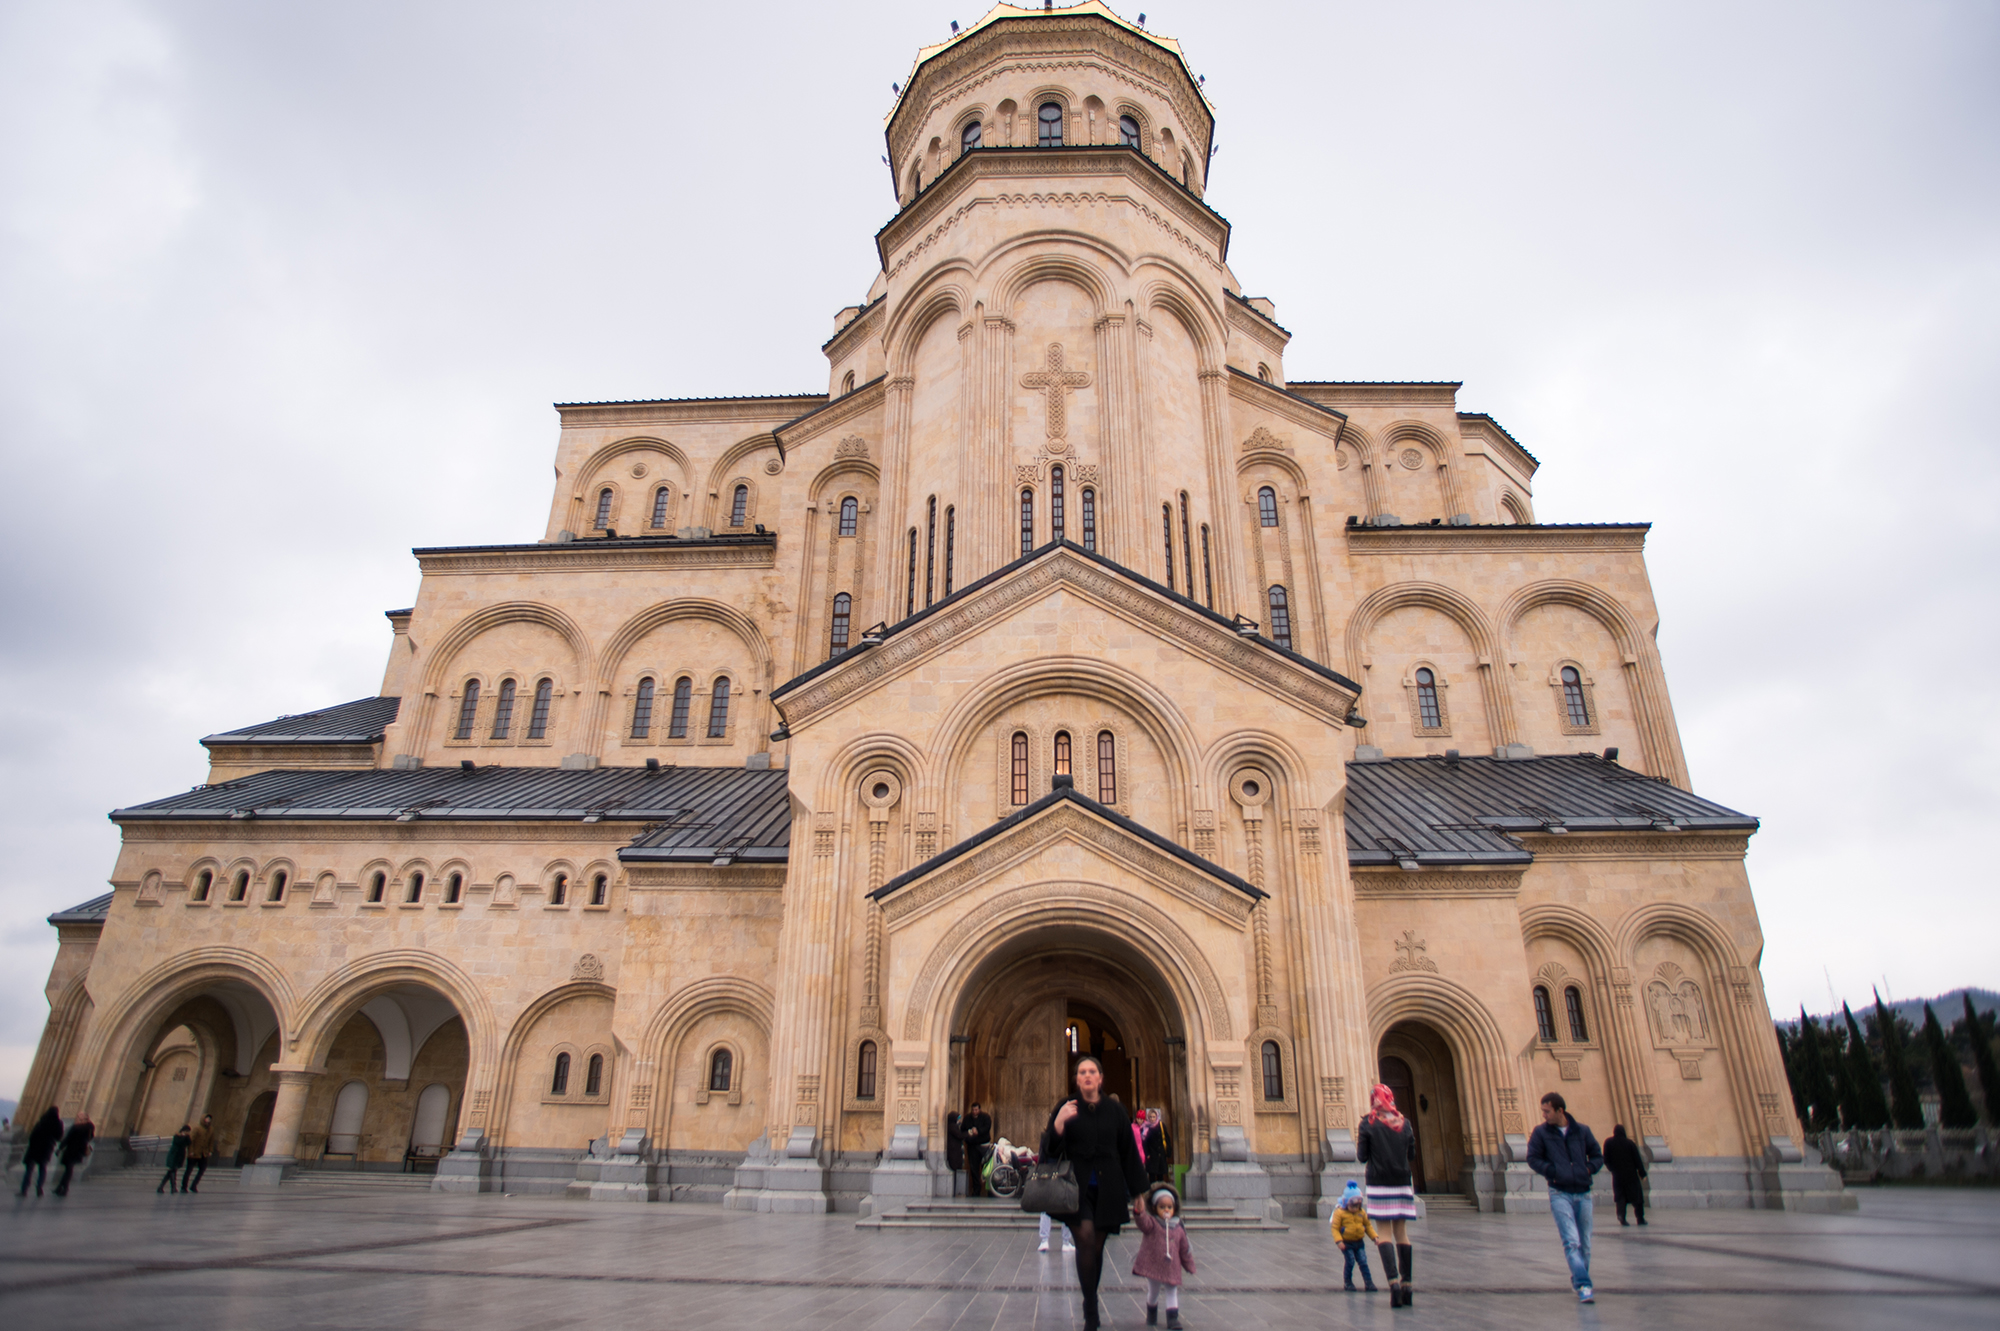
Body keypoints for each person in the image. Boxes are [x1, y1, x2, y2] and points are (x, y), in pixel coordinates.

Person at [1043, 1055, 1149, 1331]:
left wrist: (1138, 1191)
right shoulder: (1066, 1107)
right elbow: (1049, 1151)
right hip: (1075, 1189)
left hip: (1108, 1189)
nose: (1087, 1076)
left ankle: (1090, 1299)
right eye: (1082, 1072)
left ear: (1100, 1078)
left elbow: (1128, 1152)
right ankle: (1090, 1307)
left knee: (1096, 1246)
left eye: (1092, 1071)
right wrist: (1058, 1125)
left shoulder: (1115, 1111)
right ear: (1076, 1078)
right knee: (1086, 1237)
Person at [1526, 1090, 1604, 1303]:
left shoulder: (1582, 1131)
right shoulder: (1541, 1133)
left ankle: (1579, 1277)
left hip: (1583, 1192)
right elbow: (1532, 1158)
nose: (1544, 1115)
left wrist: (1588, 1169)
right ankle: (1584, 1285)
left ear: (1560, 1110)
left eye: (1547, 1111)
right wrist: (1552, 1172)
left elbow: (1597, 1155)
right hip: (1559, 1192)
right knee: (1571, 1241)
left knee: (1585, 1243)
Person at [1356, 1083, 1418, 1308]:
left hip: (1379, 1182)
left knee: (1383, 1233)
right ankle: (1407, 1285)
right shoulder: (1404, 1123)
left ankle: (1392, 1283)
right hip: (1402, 1182)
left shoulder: (1368, 1123)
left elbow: (1362, 1156)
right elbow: (1411, 1154)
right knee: (1402, 1233)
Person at [1131, 1182, 1196, 1328]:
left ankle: (1173, 1319)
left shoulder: (1178, 1227)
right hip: (1154, 1265)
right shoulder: (1153, 1223)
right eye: (1162, 1207)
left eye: (1169, 1207)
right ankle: (1151, 1312)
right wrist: (1139, 1212)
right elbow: (1143, 1223)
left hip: (1171, 1266)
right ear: (1155, 1208)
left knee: (1171, 1291)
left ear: (1174, 1208)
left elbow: (1185, 1248)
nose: (1166, 1210)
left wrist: (1189, 1265)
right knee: (1153, 1291)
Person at [1331, 1179, 1379, 1292]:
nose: (1355, 1209)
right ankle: (1347, 1282)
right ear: (1346, 1203)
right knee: (1350, 1261)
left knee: (1363, 1261)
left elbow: (1368, 1226)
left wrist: (1374, 1237)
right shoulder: (1340, 1213)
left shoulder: (1361, 1213)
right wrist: (1339, 1241)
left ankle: (1369, 1282)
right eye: (1352, 1206)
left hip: (1359, 1242)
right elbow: (1335, 1228)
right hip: (1347, 1243)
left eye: (1357, 1206)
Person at [1604, 1123, 1648, 1227]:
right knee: (1637, 1198)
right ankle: (1640, 1218)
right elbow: (1637, 1160)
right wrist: (1642, 1174)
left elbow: (1606, 1159)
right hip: (1631, 1175)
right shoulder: (1630, 1143)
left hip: (1617, 1176)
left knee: (1620, 1197)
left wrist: (1612, 1169)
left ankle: (1621, 1217)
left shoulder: (1608, 1143)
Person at [19, 1106, 62, 1197]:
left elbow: (33, 1134)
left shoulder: (42, 1121)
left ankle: (24, 1189)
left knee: (29, 1169)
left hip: (35, 1147)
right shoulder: (58, 1123)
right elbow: (59, 1137)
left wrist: (31, 1144)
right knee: (42, 1168)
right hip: (46, 1148)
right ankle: (39, 1187)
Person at [51, 1112, 94, 1197]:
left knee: (68, 1170)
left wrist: (60, 1148)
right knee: (69, 1170)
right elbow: (91, 1137)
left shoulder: (75, 1127)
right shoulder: (90, 1128)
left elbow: (68, 1138)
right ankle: (60, 1187)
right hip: (80, 1150)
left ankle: (63, 1188)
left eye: (79, 1117)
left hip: (71, 1150)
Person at [960, 1101, 992, 1198]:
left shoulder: (985, 1117)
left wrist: (978, 1131)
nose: (974, 1111)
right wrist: (969, 1133)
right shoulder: (967, 1118)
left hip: (984, 1146)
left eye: (976, 1109)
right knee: (974, 1168)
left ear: (979, 1109)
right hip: (972, 1146)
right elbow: (963, 1130)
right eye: (973, 1110)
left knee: (986, 1168)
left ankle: (989, 1190)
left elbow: (987, 1128)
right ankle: (976, 1190)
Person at [182, 1114, 215, 1193]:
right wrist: (190, 1151)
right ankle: (184, 1186)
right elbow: (191, 1140)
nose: (208, 1120)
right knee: (189, 1170)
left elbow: (211, 1141)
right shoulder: (197, 1128)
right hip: (194, 1153)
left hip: (203, 1153)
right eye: (207, 1119)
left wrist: (210, 1150)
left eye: (209, 1119)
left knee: (202, 1169)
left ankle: (194, 1185)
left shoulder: (211, 1130)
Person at [158, 1123, 193, 1194]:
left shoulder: (186, 1137)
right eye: (186, 1131)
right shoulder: (177, 1136)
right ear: (183, 1131)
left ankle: (161, 1187)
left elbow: (189, 1143)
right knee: (172, 1171)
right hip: (174, 1155)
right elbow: (178, 1142)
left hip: (179, 1156)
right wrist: (183, 1137)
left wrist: (187, 1137)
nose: (187, 1133)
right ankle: (173, 1188)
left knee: (171, 1172)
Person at [1142, 1108, 1172, 1185]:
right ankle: (1152, 1193)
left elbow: (1166, 1138)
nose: (1152, 1118)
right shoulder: (1146, 1127)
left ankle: (1160, 1192)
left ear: (1156, 1117)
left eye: (1153, 1117)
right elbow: (1144, 1142)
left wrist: (1167, 1151)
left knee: (1160, 1176)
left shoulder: (1161, 1125)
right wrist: (1147, 1154)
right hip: (1152, 1156)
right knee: (1152, 1176)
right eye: (1150, 1117)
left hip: (1160, 1154)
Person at [944, 1109, 965, 1197]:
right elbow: (959, 1135)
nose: (959, 1121)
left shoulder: (952, 1126)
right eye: (958, 1119)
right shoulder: (952, 1127)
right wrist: (969, 1134)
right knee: (954, 1168)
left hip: (954, 1151)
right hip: (954, 1152)